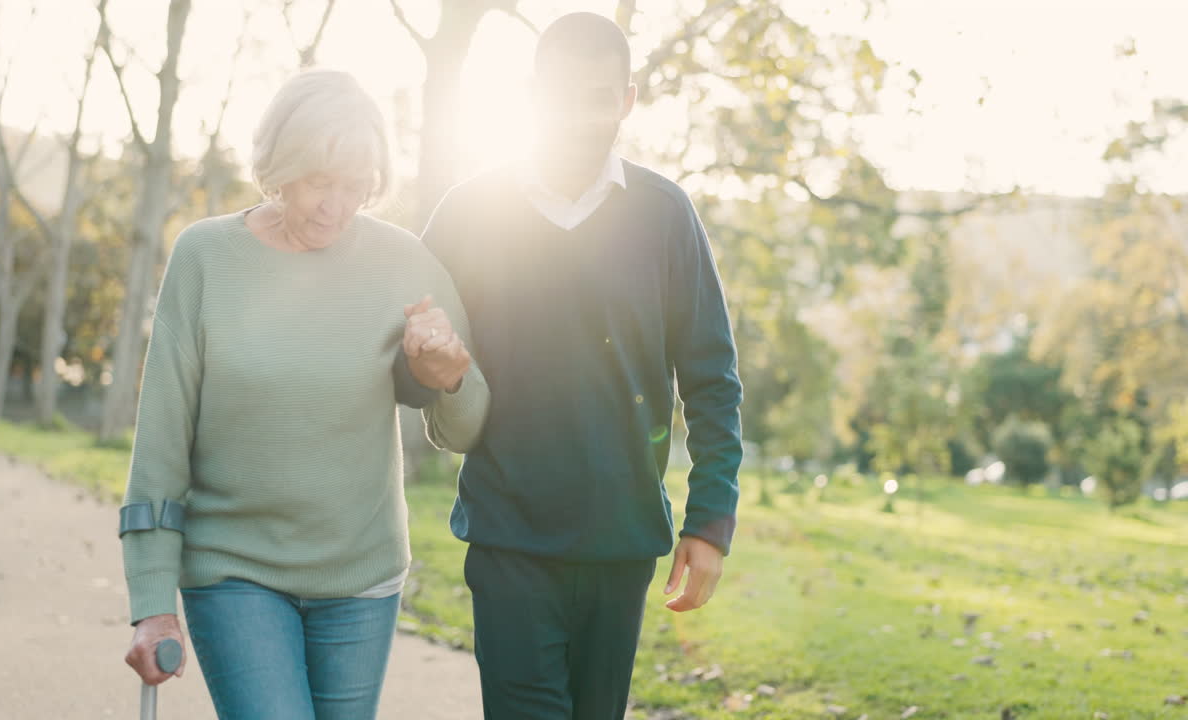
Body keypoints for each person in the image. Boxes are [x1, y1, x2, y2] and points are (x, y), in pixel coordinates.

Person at [118, 69, 489, 720]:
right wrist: (152, 599)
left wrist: (450, 377)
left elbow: (465, 427)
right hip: (235, 571)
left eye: (357, 187)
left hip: (361, 580)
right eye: (321, 181)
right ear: (280, 165)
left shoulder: (403, 263)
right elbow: (162, 438)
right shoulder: (204, 257)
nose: (336, 206)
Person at [413, 12, 743, 718]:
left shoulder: (666, 214)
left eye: (600, 98)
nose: (582, 117)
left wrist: (709, 521)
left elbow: (713, 381)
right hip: (509, 540)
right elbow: (405, 361)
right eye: (565, 96)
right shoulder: (471, 211)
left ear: (625, 101)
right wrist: (428, 368)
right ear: (534, 96)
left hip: (621, 549)